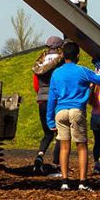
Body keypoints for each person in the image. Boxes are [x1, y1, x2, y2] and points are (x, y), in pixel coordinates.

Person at [46, 41, 100, 192]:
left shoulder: (56, 73)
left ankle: (65, 181)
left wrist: (49, 119)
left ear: (63, 56)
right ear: (78, 56)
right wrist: (99, 65)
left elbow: (52, 98)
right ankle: (82, 182)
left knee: (64, 147)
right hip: (76, 110)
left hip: (60, 112)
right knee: (81, 147)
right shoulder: (82, 71)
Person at [31, 36, 63, 174]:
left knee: (47, 133)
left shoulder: (40, 63)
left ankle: (39, 156)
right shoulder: (61, 62)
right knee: (60, 134)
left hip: (42, 100)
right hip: (56, 100)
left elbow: (36, 85)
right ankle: (56, 166)